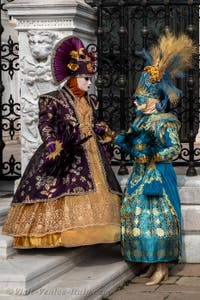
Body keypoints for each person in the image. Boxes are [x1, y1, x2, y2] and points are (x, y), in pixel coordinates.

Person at [3, 36, 122, 248]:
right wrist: (51, 142)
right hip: (67, 150)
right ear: (74, 78)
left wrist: (100, 130)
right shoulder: (53, 99)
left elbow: (92, 122)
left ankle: (97, 230)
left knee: (100, 188)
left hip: (92, 150)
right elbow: (45, 123)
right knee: (59, 188)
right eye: (86, 78)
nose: (89, 82)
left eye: (90, 78)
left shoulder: (91, 101)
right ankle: (59, 234)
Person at [115, 31, 196, 285]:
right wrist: (121, 142)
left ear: (154, 100)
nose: (136, 104)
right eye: (137, 100)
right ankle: (150, 263)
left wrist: (152, 155)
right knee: (140, 218)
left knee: (158, 218)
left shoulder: (166, 122)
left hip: (158, 177)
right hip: (140, 176)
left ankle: (163, 267)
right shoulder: (140, 122)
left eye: (141, 100)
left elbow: (174, 149)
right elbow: (131, 144)